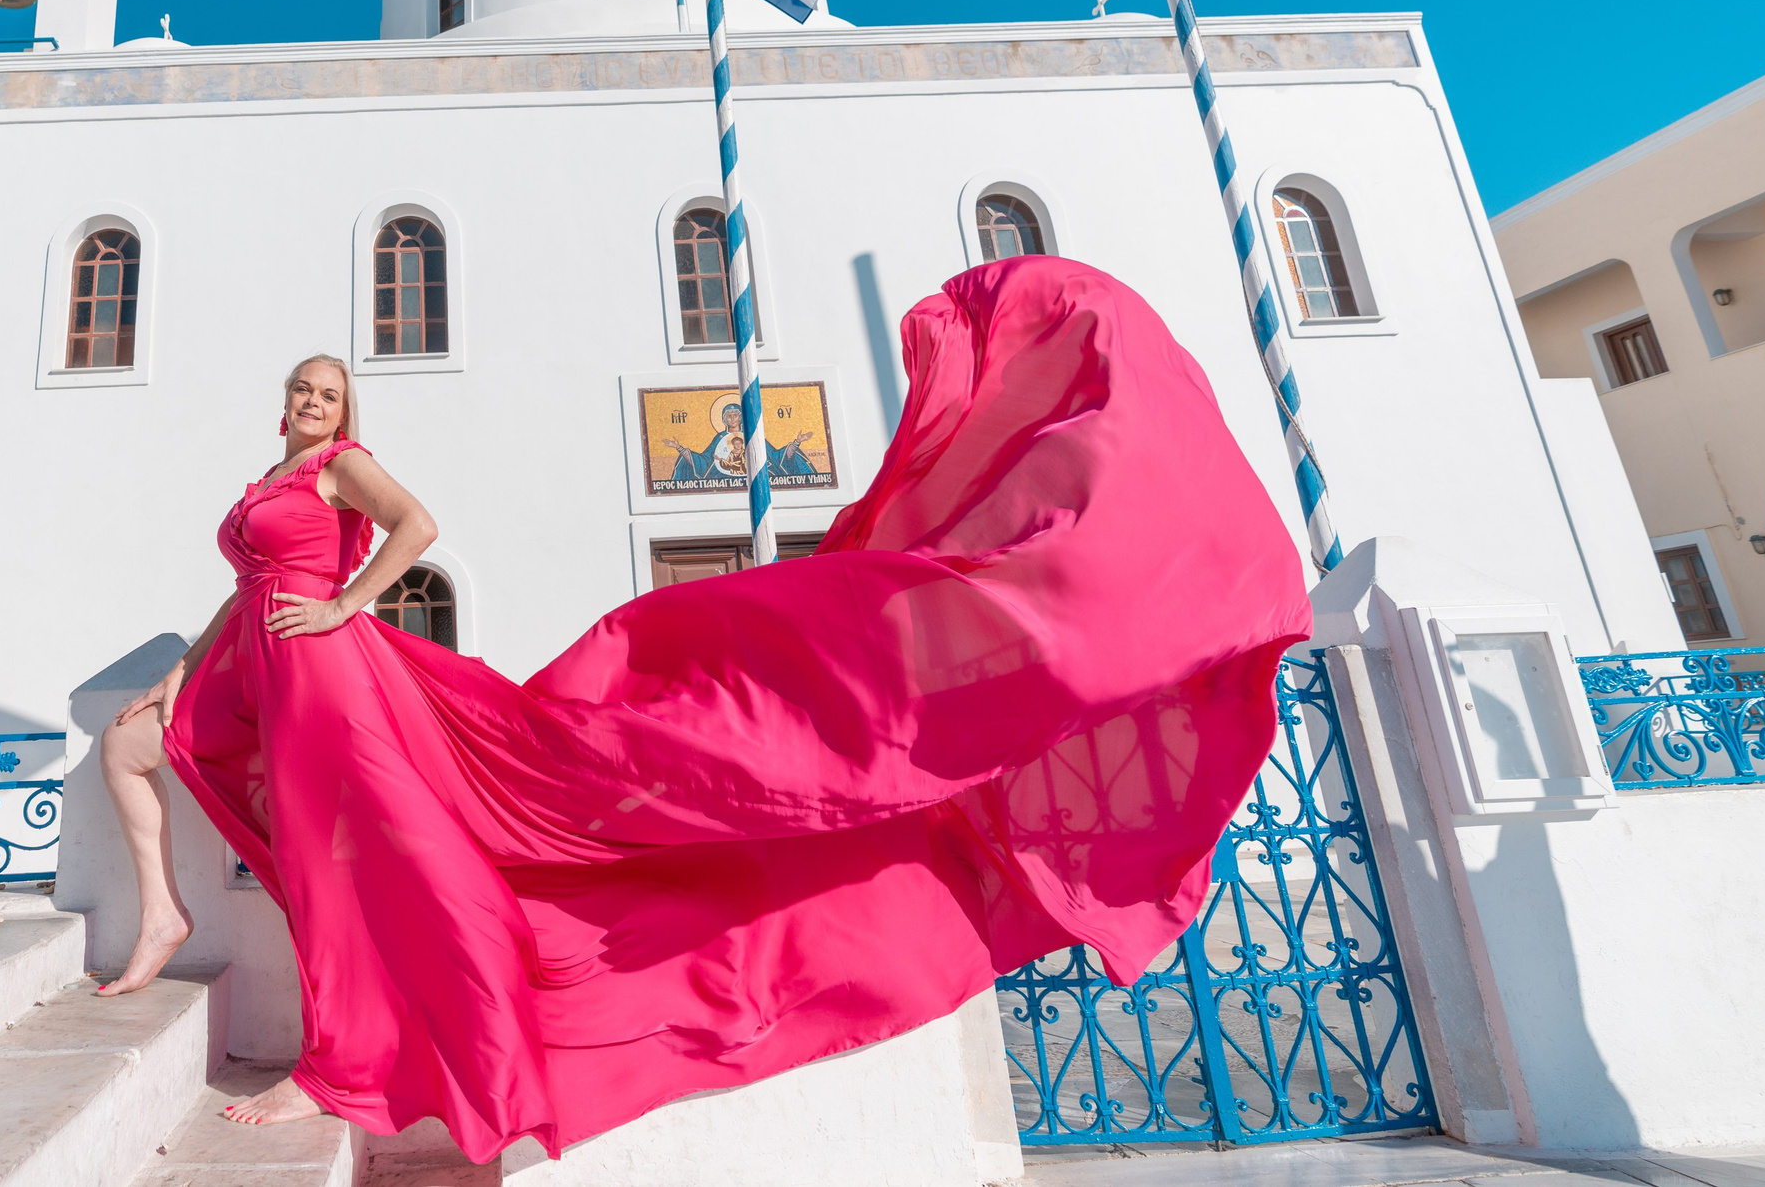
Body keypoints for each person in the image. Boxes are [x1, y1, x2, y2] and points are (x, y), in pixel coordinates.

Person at [95, 257, 1310, 1160]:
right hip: (260, 662)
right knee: (136, 746)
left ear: (343, 409)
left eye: (329, 389)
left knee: (350, 861)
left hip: (328, 671)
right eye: (302, 389)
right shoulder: (268, 480)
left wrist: (351, 603)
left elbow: (416, 528)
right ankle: (162, 912)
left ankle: (346, 1059)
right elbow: (239, 589)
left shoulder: (339, 469)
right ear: (282, 402)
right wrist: (183, 673)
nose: (313, 400)